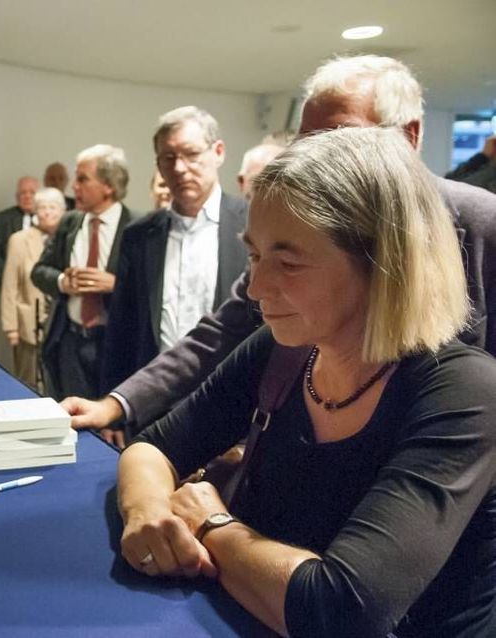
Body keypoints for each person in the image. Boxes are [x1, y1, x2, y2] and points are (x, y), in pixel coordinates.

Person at [119, 126, 496, 637]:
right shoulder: (286, 349)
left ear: (385, 265)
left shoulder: (466, 392)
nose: (255, 287)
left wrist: (212, 525)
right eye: (254, 256)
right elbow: (153, 449)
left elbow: (343, 610)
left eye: (288, 262)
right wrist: (146, 512)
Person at [63, 54, 496, 447]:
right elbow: (219, 334)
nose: (318, 161)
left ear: (409, 135)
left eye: (339, 138)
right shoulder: (293, 229)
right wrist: (117, 403)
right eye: (307, 141)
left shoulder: (481, 224)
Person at [100, 107, 248, 394]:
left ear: (218, 152)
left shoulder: (252, 224)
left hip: (230, 397)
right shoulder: (138, 235)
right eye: (168, 158)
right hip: (150, 398)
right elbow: (122, 326)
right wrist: (114, 397)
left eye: (191, 154)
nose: (179, 168)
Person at [31, 144, 137, 400]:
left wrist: (115, 284)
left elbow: (150, 292)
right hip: (70, 341)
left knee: (111, 427)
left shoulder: (137, 228)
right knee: (72, 421)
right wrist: (61, 282)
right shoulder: (70, 222)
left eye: (82, 179)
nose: (73, 187)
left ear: (109, 185)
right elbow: (39, 271)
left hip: (114, 346)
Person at [0, 187, 66, 389]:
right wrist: (10, 327)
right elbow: (10, 285)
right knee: (27, 382)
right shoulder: (19, 240)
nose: (47, 212)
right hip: (28, 323)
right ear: (35, 212)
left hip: (61, 323)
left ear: (63, 211)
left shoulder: (70, 239)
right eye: (42, 208)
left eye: (53, 207)